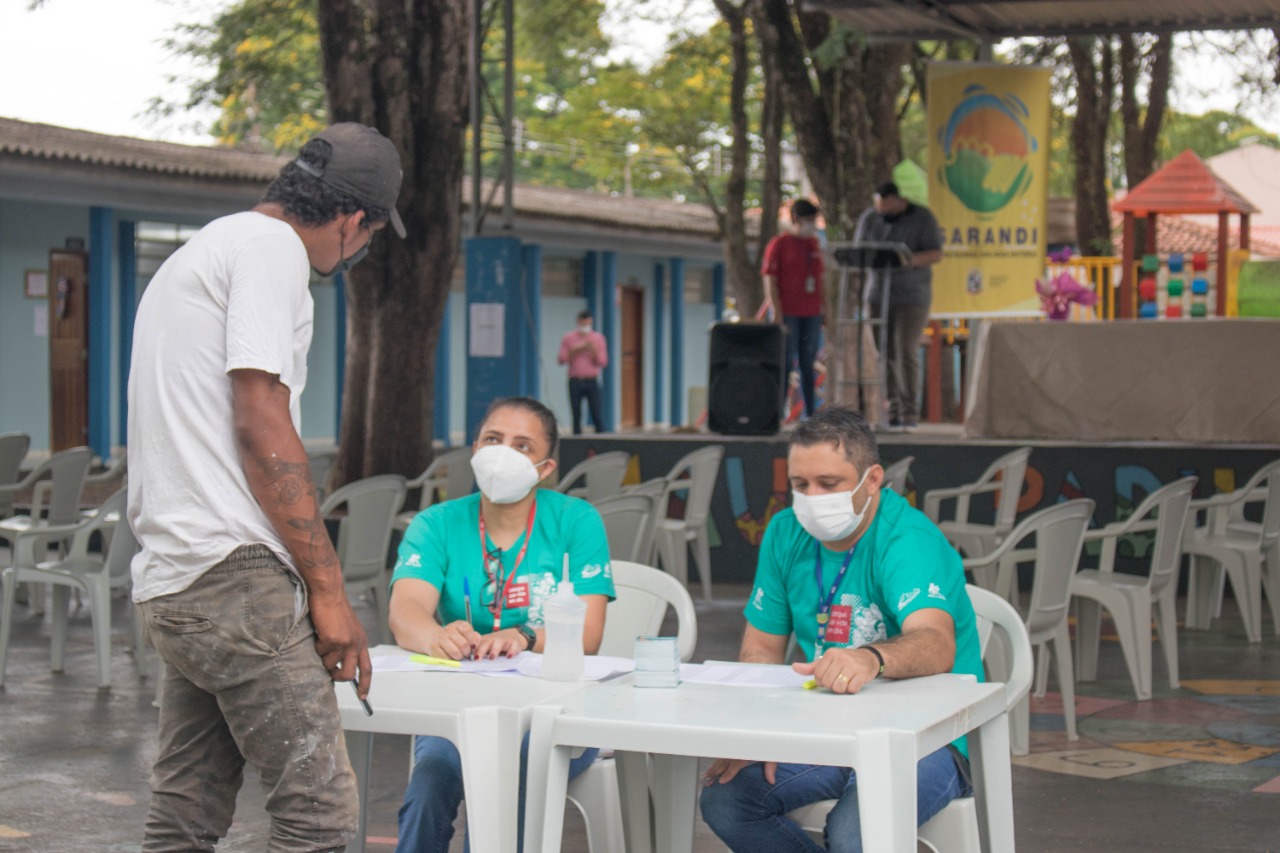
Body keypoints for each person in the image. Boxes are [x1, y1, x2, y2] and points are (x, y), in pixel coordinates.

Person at [127, 123, 405, 851]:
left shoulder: (211, 246)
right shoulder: (271, 252)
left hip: (176, 578)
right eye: (369, 234)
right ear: (353, 221)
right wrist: (330, 590)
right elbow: (260, 417)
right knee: (319, 813)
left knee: (185, 812)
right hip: (235, 579)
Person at [699, 407, 982, 853]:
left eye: (828, 484)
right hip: (825, 727)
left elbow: (936, 642)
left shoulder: (906, 538)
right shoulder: (785, 531)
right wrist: (755, 730)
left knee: (856, 832)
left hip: (926, 736)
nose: (812, 498)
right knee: (727, 799)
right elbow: (761, 647)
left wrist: (870, 657)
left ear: (872, 480)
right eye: (800, 485)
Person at [388, 396, 616, 852]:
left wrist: (525, 637)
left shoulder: (576, 521)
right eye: (493, 440)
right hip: (462, 708)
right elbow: (405, 608)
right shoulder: (437, 524)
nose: (503, 453)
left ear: (546, 466)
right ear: (474, 448)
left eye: (522, 445)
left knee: (518, 771)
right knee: (431, 779)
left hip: (557, 711)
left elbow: (588, 632)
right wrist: (436, 635)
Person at [853, 182, 943, 429]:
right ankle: (892, 410)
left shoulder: (922, 218)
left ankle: (910, 410)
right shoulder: (870, 218)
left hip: (913, 295)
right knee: (886, 353)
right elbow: (858, 252)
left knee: (906, 350)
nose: (882, 212)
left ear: (898, 201)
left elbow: (936, 253)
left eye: (886, 207)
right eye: (878, 207)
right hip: (878, 294)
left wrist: (906, 260)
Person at [762, 198, 826, 419]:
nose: (812, 225)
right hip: (788, 312)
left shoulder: (814, 245)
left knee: (808, 364)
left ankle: (811, 414)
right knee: (785, 362)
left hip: (812, 312)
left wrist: (823, 309)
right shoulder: (779, 244)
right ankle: (777, 412)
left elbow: (820, 278)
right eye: (809, 220)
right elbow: (769, 279)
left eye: (814, 220)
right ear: (796, 219)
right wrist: (777, 312)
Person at [557, 310, 609, 435]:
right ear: (578, 322)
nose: (585, 327)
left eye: (587, 324)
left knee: (596, 413)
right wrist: (575, 350)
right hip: (575, 380)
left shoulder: (598, 338)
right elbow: (561, 360)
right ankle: (576, 441)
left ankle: (602, 440)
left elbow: (603, 362)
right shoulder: (568, 338)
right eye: (583, 324)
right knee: (576, 414)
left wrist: (593, 350)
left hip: (592, 380)